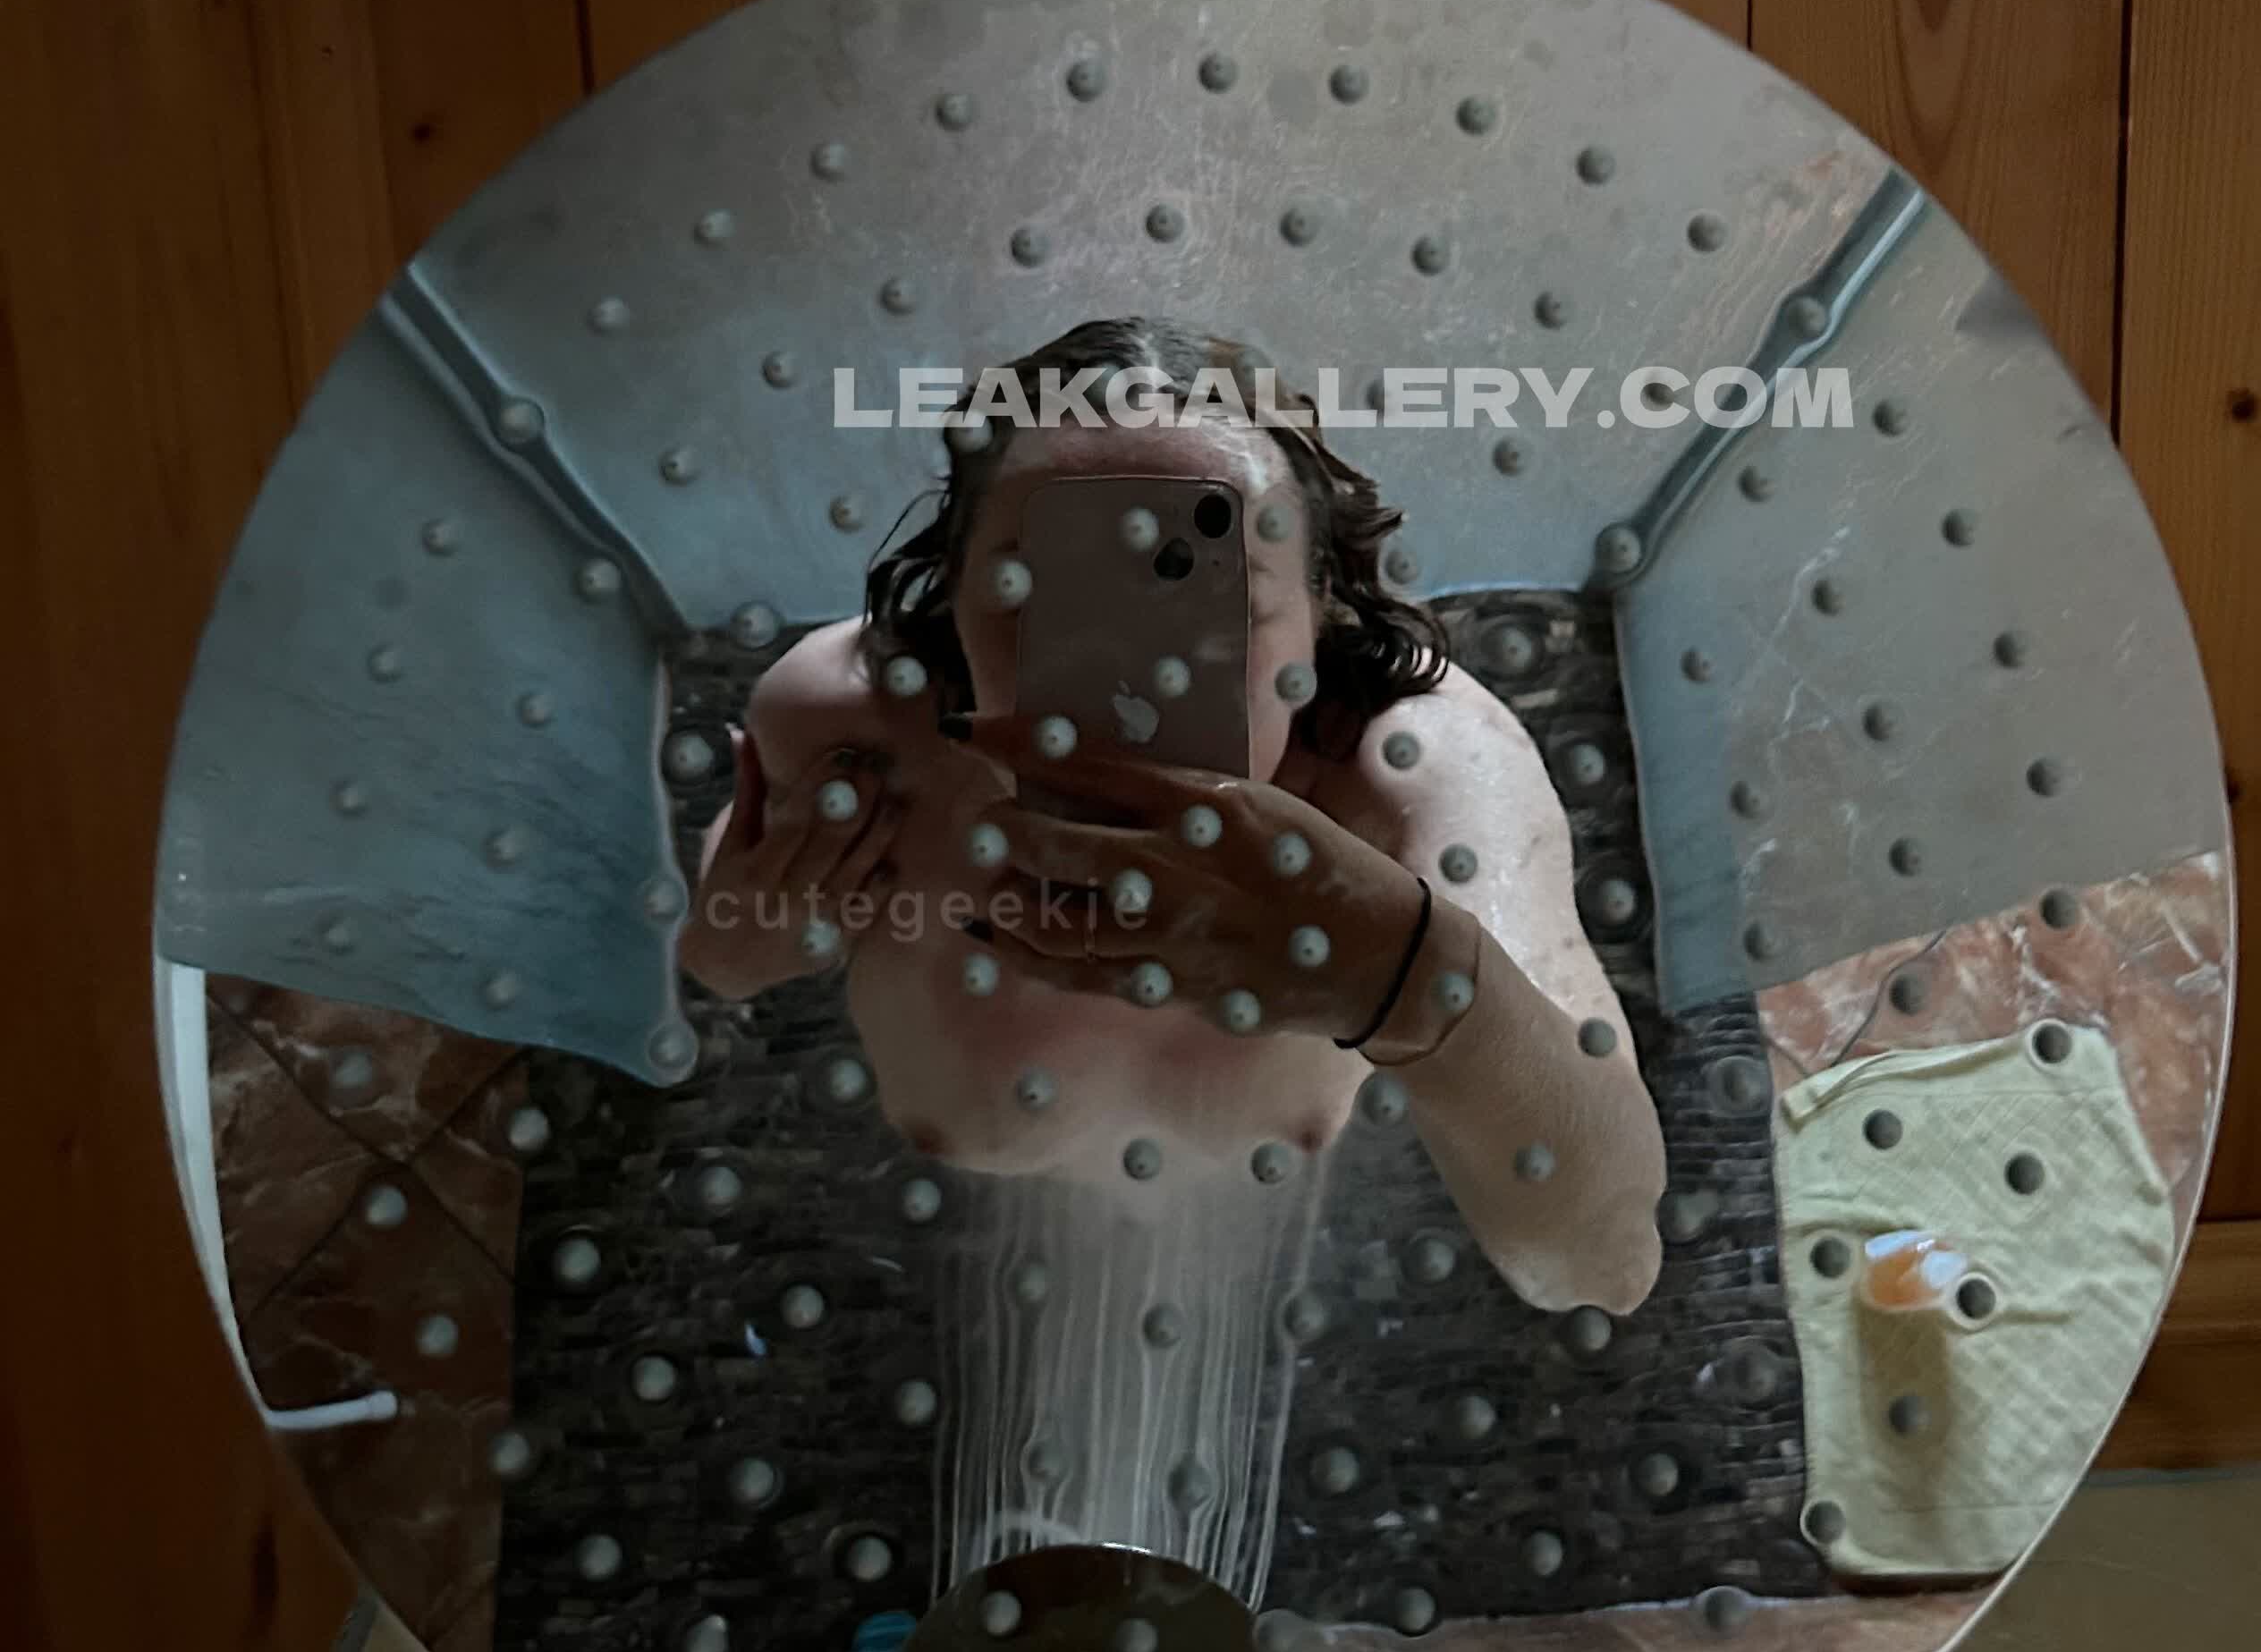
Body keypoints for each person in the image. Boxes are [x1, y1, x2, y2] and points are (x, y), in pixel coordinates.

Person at [682, 318, 1665, 1317]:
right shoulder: (855, 723)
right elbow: (725, 943)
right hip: (942, 1251)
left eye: (1208, 595)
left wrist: (1399, 973)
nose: (1133, 680)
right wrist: (738, 942)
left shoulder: (1424, 766)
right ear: (953, 589)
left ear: (1320, 605)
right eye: (1040, 588)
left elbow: (1608, 1262)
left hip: (1234, 1257)